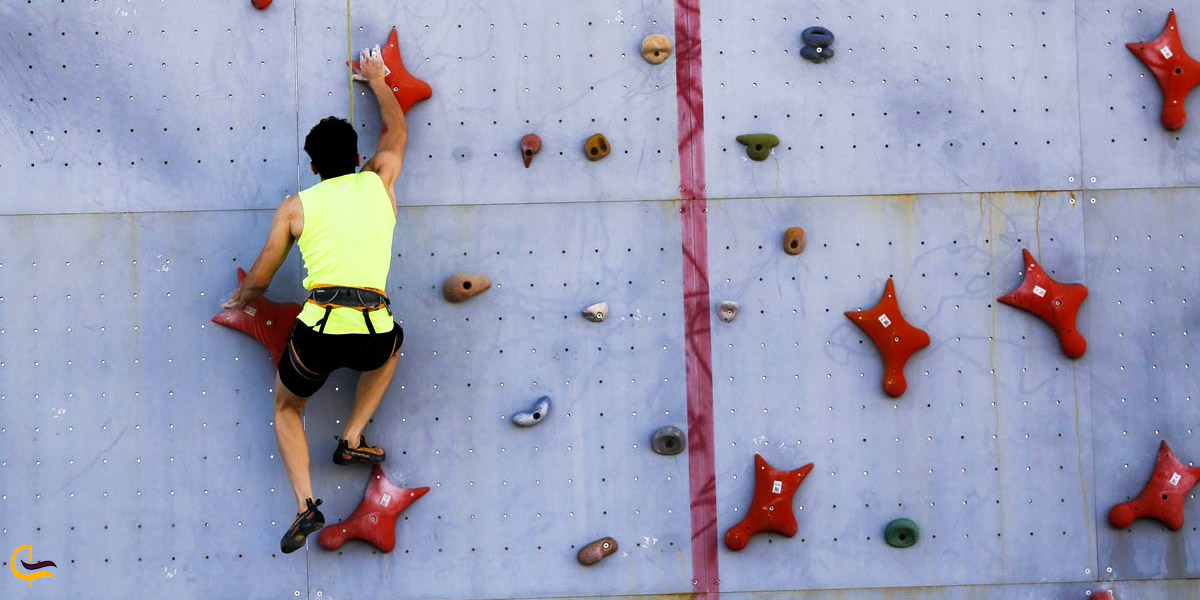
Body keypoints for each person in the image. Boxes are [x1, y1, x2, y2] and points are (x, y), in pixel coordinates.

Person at [221, 46, 407, 554]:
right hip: (372, 330)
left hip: (319, 334)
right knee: (393, 345)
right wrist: (376, 79)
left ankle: (306, 505)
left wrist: (240, 300)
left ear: (311, 166)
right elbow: (396, 132)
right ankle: (352, 437)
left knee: (286, 407)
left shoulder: (296, 206)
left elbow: (261, 276)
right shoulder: (379, 179)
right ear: (355, 158)